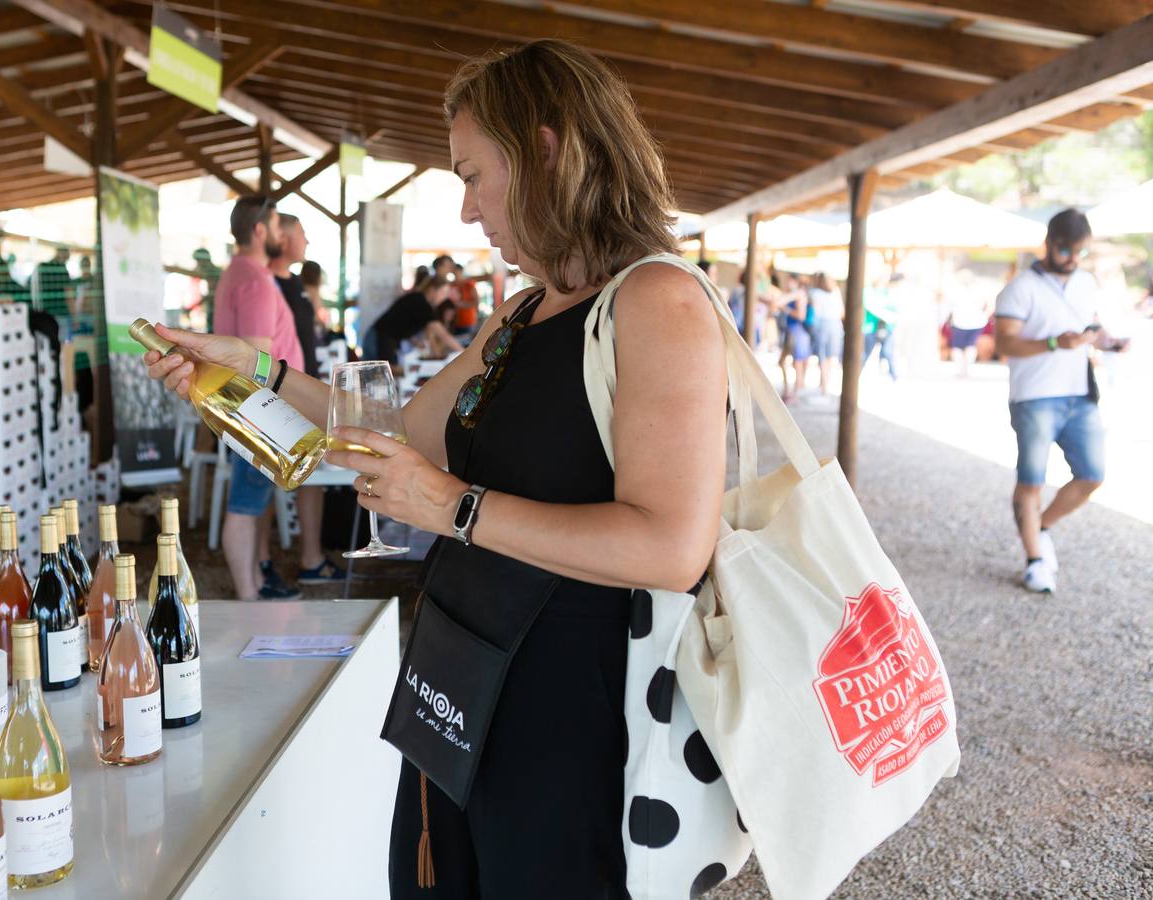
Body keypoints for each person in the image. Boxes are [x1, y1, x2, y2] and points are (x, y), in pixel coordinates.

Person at [140, 39, 730, 896]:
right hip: (459, 680)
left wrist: (453, 508)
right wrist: (248, 372)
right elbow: (389, 437)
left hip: (567, 710)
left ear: (546, 149)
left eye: (471, 174)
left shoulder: (657, 301)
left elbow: (671, 546)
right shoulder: (522, 312)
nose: (465, 211)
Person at [994, 209, 1122, 594]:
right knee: (1031, 479)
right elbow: (1004, 342)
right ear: (1048, 243)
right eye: (1066, 249)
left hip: (1080, 393)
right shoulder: (1020, 288)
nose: (1072, 258)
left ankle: (1042, 527)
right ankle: (1034, 559)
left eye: (1080, 251)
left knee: (1092, 475)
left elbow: (1091, 326)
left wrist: (1106, 340)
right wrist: (1052, 343)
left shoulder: (1085, 282)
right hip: (1034, 396)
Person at [214, 195, 304, 602]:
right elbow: (255, 360)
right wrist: (272, 413)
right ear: (259, 230)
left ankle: (253, 585)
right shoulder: (252, 279)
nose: (282, 234)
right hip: (259, 406)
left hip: (252, 405)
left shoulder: (242, 272)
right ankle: (249, 595)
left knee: (252, 500)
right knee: (246, 503)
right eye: (276, 225)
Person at [267, 213, 346, 586]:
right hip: (279, 392)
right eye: (302, 233)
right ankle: (280, 561)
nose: (308, 242)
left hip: (303, 386)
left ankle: (312, 556)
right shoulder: (267, 283)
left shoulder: (294, 282)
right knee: (275, 478)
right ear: (282, 237)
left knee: (315, 470)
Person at [364, 276, 463, 365]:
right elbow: (443, 334)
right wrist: (464, 353)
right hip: (378, 337)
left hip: (384, 337)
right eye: (443, 293)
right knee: (382, 373)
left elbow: (403, 322)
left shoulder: (419, 300)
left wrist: (414, 341)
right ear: (432, 290)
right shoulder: (420, 302)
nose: (444, 298)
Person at [948, 272, 992, 378]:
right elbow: (986, 305)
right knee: (970, 347)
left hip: (961, 322)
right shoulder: (978, 291)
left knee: (959, 348)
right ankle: (966, 370)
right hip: (975, 322)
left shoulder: (956, 291)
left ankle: (963, 370)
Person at [807, 272, 844, 394]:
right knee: (830, 356)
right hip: (836, 324)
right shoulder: (836, 291)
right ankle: (825, 383)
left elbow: (816, 312)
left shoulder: (814, 293)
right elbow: (842, 311)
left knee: (822, 355)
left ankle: (823, 385)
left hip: (822, 324)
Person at [778, 275, 811, 402]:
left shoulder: (799, 294)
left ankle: (794, 392)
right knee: (785, 361)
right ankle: (788, 390)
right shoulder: (794, 294)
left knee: (797, 362)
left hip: (797, 331)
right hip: (792, 331)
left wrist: (785, 309)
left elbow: (801, 315)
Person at [434, 254, 479, 334]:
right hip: (455, 322)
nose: (455, 275)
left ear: (461, 271)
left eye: (457, 272)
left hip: (468, 321)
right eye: (454, 273)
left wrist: (459, 304)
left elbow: (476, 302)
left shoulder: (469, 284)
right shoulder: (451, 285)